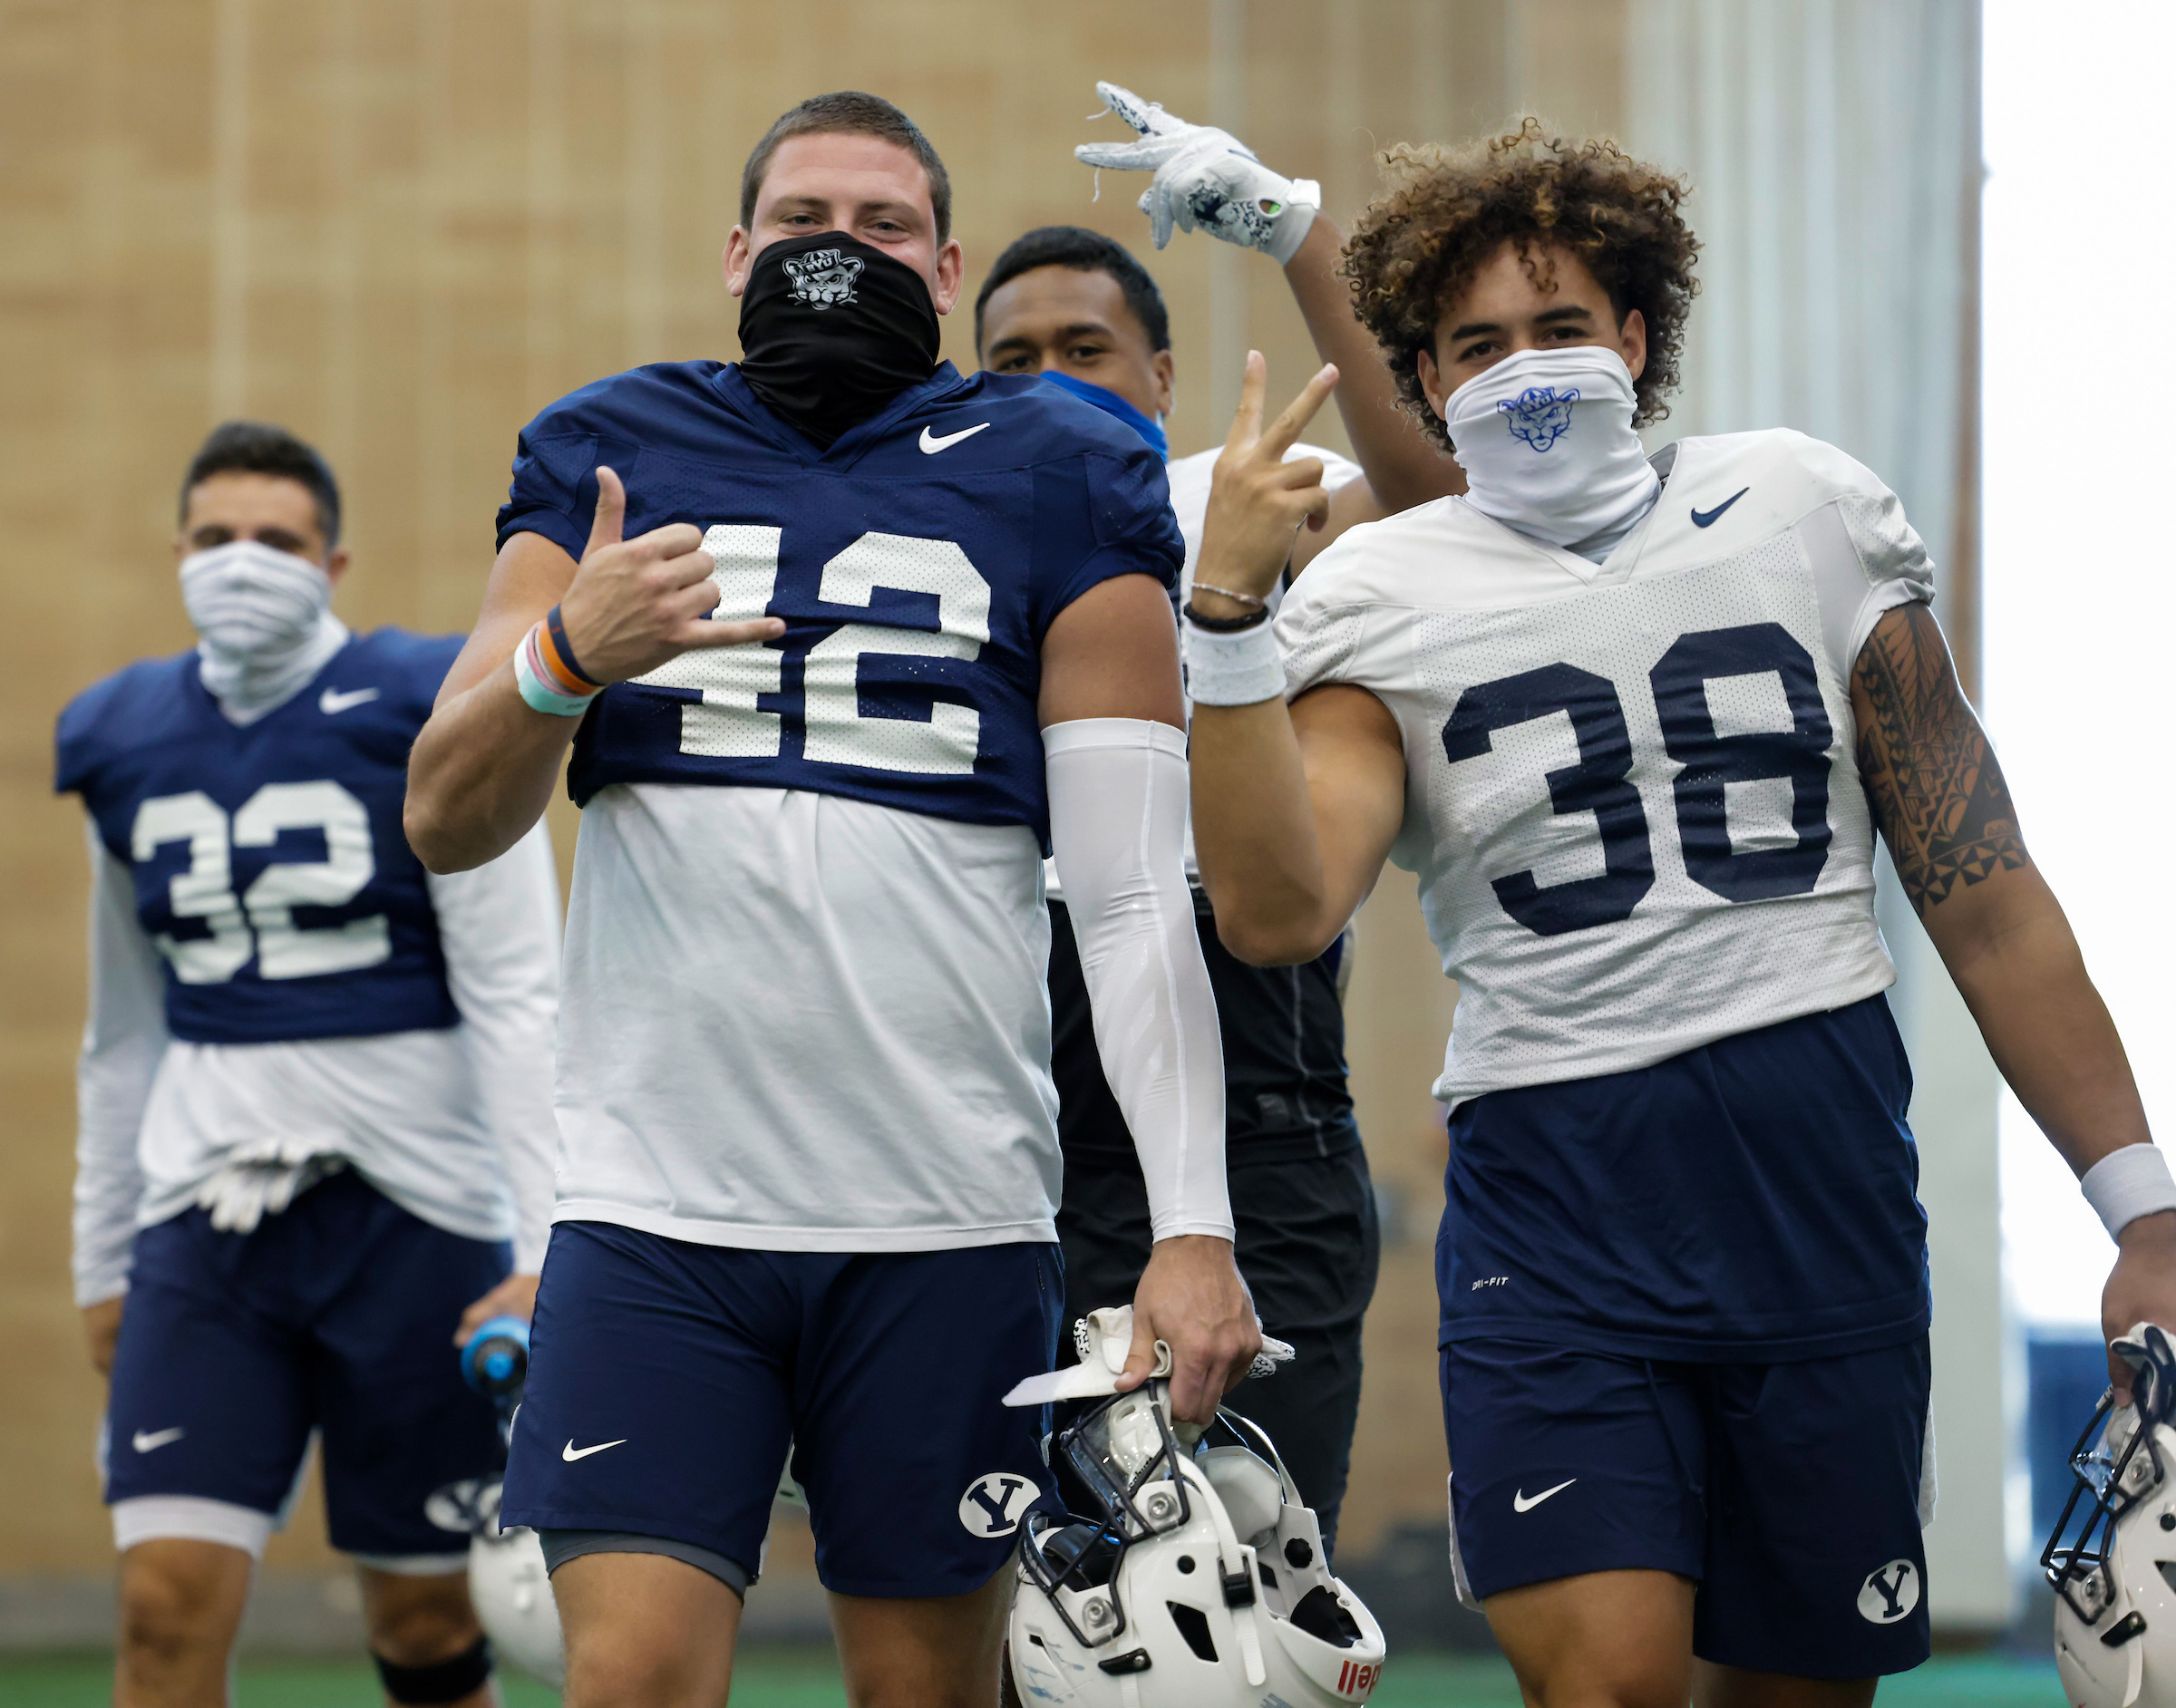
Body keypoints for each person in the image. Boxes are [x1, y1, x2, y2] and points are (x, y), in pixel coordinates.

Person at [1181, 121, 2176, 1704]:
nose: (1524, 368)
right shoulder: (1382, 587)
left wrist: (2142, 1206)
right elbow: (1280, 909)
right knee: (1612, 1685)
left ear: (1637, 334)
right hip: (1561, 1192)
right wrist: (1230, 623)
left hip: (1820, 1175)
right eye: (1478, 345)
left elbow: (1981, 888)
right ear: (1425, 383)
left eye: (1561, 327)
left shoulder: (1802, 505)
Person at [401, 91, 1259, 1708]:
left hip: (942, 1212)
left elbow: (1136, 899)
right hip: (659, 1211)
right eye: (802, 223)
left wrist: (1190, 1226)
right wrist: (563, 660)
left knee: (926, 1695)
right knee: (631, 1681)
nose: (835, 252)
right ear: (735, 253)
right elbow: (447, 815)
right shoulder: (612, 450)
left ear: (945, 269)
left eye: (878, 228)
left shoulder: (1063, 469)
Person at [56, 422, 561, 1708]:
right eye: (215, 539)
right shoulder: (123, 736)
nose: (243, 564)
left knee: (425, 1621)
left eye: (276, 541)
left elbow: (518, 993)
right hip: (206, 1222)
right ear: (175, 553)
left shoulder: (422, 701)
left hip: (417, 1216)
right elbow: (123, 1031)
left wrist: (546, 1248)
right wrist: (102, 1256)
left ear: (334, 562)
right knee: (164, 1610)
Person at [973, 217, 1397, 1555]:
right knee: (1035, 1596)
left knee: (1248, 1593)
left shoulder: (1244, 488)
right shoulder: (933, 521)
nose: (1050, 377)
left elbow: (1437, 494)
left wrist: (1305, 236)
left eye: (1084, 349)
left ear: (1162, 377)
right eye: (1014, 357)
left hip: (1246, 1063)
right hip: (998, 1086)